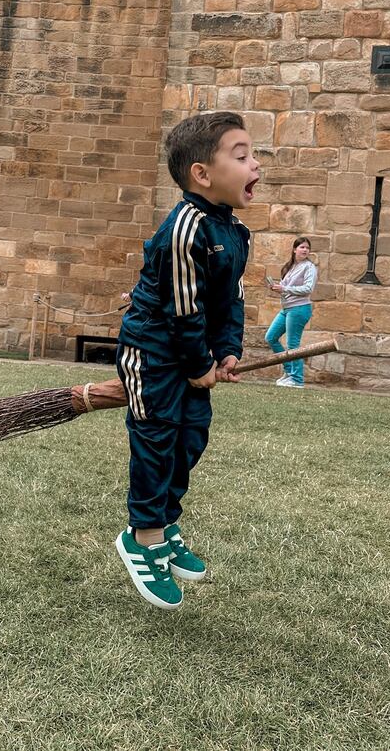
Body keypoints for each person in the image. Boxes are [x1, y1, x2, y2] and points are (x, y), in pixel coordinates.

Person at [114, 112, 260, 610]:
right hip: (154, 353)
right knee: (157, 440)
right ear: (202, 173)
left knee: (190, 440)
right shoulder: (184, 229)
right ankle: (143, 538)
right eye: (241, 156)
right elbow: (184, 309)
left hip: (193, 357)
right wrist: (201, 363)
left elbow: (229, 302)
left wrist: (229, 350)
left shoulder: (236, 234)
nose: (255, 164)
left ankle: (167, 523)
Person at [264, 237, 318, 388]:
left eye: (307, 247)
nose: (305, 250)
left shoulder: (309, 267)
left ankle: (297, 380)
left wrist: (285, 289)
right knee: (271, 338)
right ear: (294, 249)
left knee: (293, 344)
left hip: (299, 309)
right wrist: (277, 287)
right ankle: (289, 371)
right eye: (302, 247)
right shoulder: (291, 267)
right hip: (286, 309)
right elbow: (286, 288)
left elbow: (308, 289)